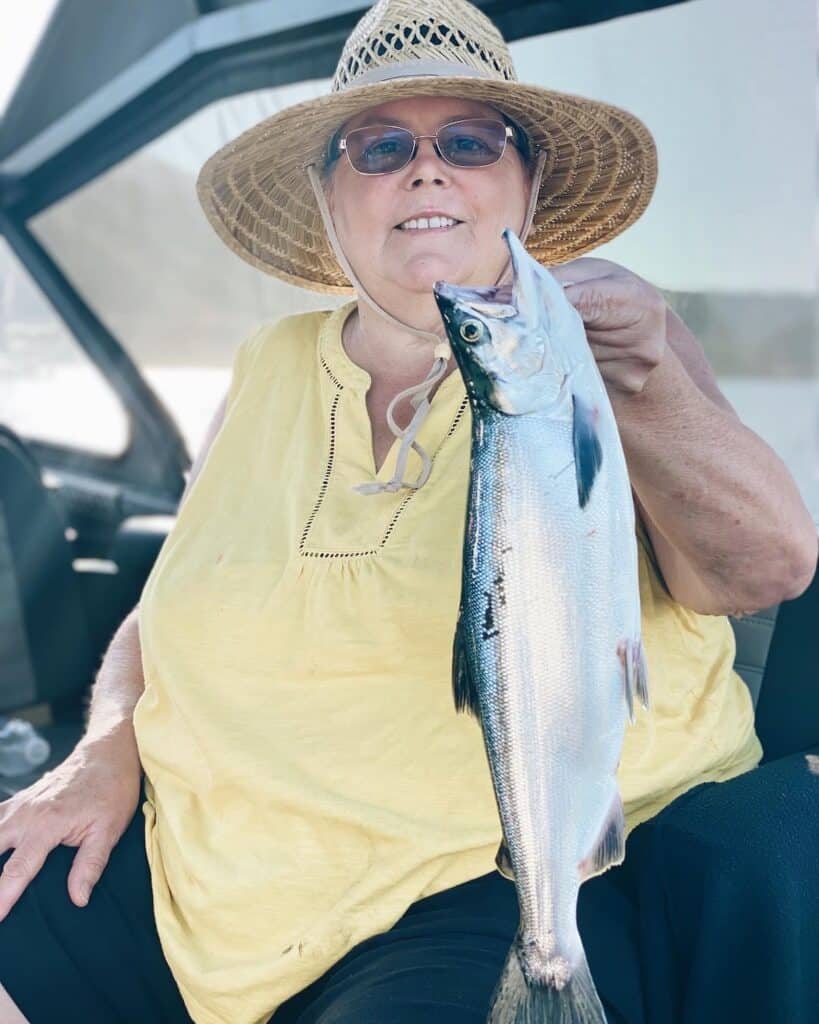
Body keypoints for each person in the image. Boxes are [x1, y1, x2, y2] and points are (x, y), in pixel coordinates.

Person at [0, 1, 817, 1022]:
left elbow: (767, 568)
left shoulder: (614, 354)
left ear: (529, 183)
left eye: (469, 141)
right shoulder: (264, 370)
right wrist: (101, 751)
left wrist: (646, 376)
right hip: (196, 880)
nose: (425, 169)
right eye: (381, 146)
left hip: (479, 884)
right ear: (331, 200)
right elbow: (157, 614)